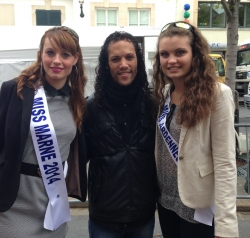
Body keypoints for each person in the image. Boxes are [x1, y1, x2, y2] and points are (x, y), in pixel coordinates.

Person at [152, 21, 239, 238]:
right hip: (166, 201)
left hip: (197, 207)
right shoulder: (164, 93)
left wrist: (225, 225)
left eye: (180, 52)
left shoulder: (217, 94)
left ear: (195, 54)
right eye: (165, 54)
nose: (171, 60)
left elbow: (225, 162)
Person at [0, 26, 88, 237]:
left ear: (75, 59)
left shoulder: (78, 102)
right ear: (41, 55)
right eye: (50, 53)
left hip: (53, 203)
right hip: (15, 202)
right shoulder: (15, 90)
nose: (57, 61)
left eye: (65, 55)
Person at [84, 31, 158, 238]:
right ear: (107, 65)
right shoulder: (90, 108)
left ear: (138, 61)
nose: (123, 64)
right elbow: (76, 157)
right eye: (115, 59)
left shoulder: (153, 105)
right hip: (104, 218)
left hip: (143, 215)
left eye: (129, 57)